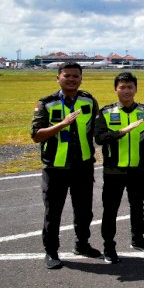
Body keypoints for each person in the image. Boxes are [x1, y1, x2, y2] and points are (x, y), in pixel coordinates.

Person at [31, 62, 101, 269]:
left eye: (75, 76)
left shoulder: (88, 101)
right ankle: (51, 251)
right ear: (58, 78)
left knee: (84, 210)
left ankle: (82, 244)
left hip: (83, 166)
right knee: (53, 212)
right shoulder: (46, 103)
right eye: (67, 76)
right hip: (55, 168)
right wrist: (62, 124)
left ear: (81, 78)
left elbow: (96, 129)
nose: (71, 79)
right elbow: (36, 135)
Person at [94, 72, 144, 264]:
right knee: (110, 209)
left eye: (130, 87)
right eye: (122, 87)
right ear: (115, 89)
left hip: (138, 169)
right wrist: (121, 132)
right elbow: (99, 138)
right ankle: (108, 246)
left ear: (136, 89)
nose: (126, 91)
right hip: (114, 171)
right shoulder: (106, 112)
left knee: (138, 206)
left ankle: (138, 238)